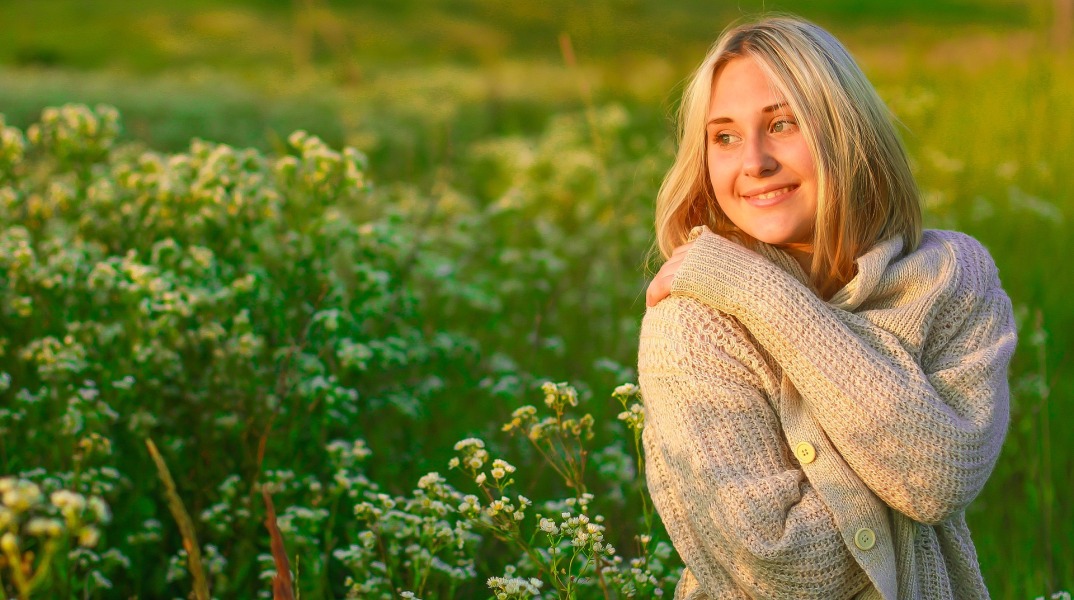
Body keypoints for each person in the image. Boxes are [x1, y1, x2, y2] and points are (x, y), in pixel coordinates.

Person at [638, 15, 1017, 600]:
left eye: (783, 124)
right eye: (725, 137)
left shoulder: (953, 278)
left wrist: (759, 293)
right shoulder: (691, 323)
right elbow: (782, 567)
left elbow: (939, 477)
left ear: (847, 131)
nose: (754, 161)